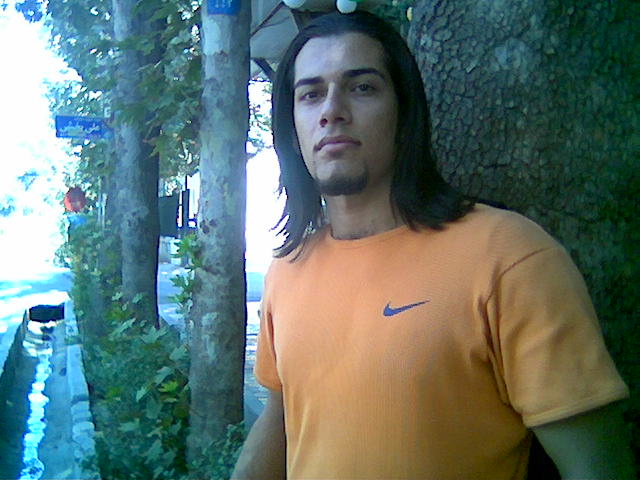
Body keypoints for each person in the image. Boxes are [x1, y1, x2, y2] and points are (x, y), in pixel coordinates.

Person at [232, 11, 635, 480]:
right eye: (311, 94)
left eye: (362, 87)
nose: (332, 110)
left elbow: (596, 466)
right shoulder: (288, 268)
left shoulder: (509, 257)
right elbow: (282, 418)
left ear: (405, 114)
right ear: (291, 128)